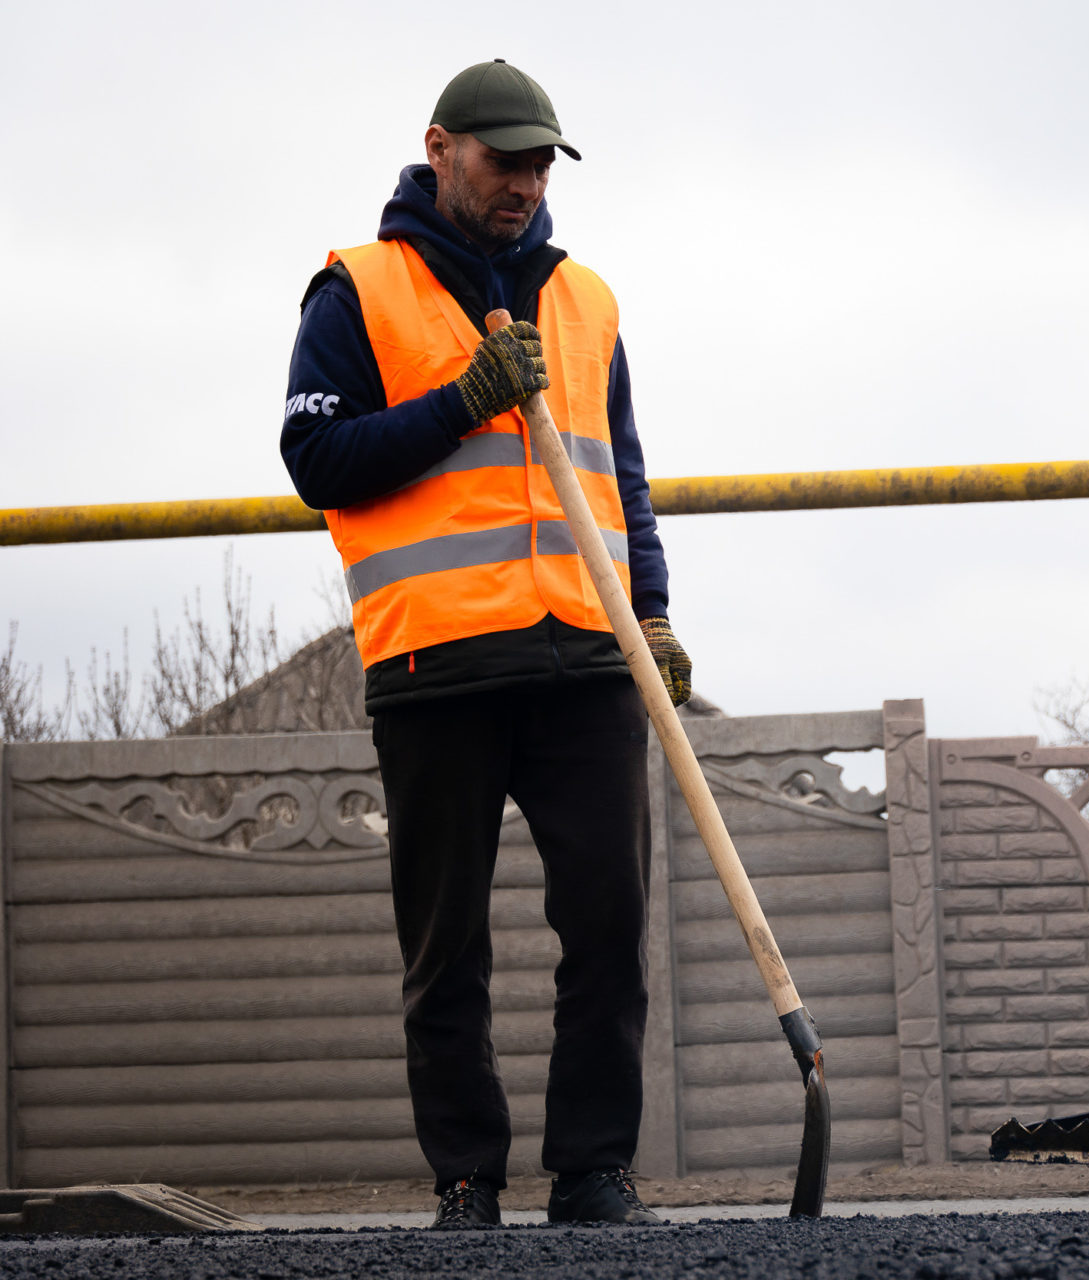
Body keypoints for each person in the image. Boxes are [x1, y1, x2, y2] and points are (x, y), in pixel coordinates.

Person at [280, 59, 688, 1229]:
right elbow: (318, 461)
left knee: (609, 924)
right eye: (502, 158)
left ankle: (594, 1169)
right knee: (446, 948)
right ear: (440, 147)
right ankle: (467, 1176)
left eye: (539, 162)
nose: (523, 181)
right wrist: (461, 399)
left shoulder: (588, 300)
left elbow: (625, 479)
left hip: (587, 661)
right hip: (436, 666)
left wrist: (650, 609)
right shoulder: (356, 290)